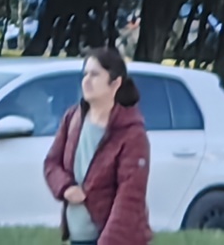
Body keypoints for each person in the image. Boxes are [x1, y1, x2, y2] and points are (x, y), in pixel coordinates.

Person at [43, 47, 151, 245]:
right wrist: (65, 187)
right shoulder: (73, 118)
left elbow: (129, 199)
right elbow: (51, 163)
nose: (86, 80)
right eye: (85, 74)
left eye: (95, 75)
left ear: (115, 83)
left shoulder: (132, 133)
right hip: (78, 238)